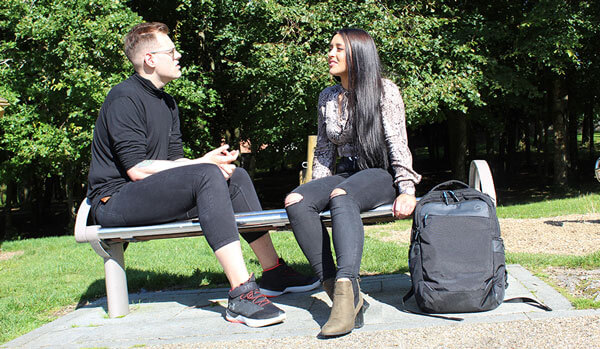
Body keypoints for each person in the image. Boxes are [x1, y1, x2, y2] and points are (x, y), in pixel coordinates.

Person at [86, 22, 319, 328]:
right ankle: (241, 294)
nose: (179, 55)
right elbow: (137, 169)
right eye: (172, 51)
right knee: (207, 173)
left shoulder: (167, 102)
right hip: (114, 200)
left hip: (150, 194)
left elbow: (174, 162)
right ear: (150, 59)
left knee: (233, 177)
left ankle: (273, 271)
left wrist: (211, 163)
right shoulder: (123, 98)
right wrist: (202, 164)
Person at [284, 28, 421, 337]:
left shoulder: (385, 91)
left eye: (338, 49)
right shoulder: (328, 97)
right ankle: (342, 296)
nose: (330, 54)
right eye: (330, 47)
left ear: (358, 55)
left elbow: (398, 144)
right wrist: (312, 193)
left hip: (377, 174)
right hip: (344, 174)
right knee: (295, 200)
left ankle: (348, 288)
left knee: (341, 194)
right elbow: (322, 152)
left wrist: (407, 190)